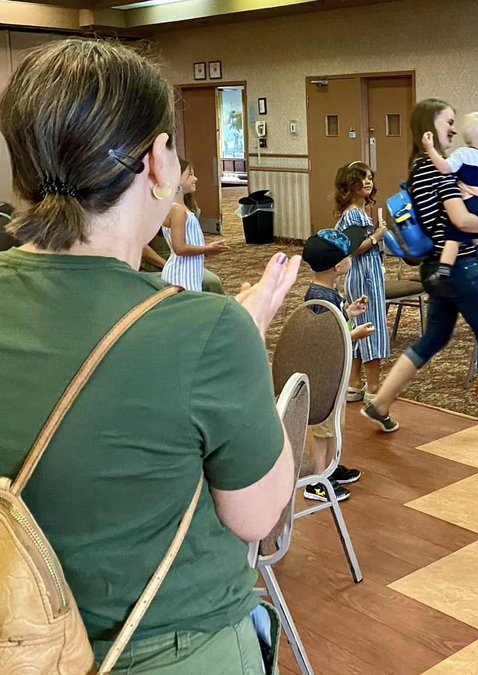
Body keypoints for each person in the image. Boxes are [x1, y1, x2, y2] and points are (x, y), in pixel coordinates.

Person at [0, 37, 301, 672]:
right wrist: (241, 338)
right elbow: (258, 515)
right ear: (160, 161)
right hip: (166, 648)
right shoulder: (211, 331)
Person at [361, 98, 478, 442]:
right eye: (448, 122)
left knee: (435, 336)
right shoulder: (439, 169)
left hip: (437, 267)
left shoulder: (419, 167)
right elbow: (461, 220)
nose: (454, 129)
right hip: (462, 266)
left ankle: (380, 403)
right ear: (429, 128)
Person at [300, 226, 375, 503]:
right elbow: (323, 336)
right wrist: (354, 333)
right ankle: (317, 479)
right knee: (323, 427)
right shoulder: (321, 297)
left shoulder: (327, 292)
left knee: (334, 425)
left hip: (335, 370)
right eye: (348, 254)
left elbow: (332, 322)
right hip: (324, 373)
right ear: (338, 265)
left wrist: (347, 311)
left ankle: (329, 468)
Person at [422, 111, 478, 286]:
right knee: (475, 227)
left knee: (453, 236)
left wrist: (430, 149)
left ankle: (444, 268)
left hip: (468, 202)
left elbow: (445, 168)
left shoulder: (462, 154)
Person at [334, 161, 390, 404]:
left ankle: (355, 384)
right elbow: (354, 248)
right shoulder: (354, 215)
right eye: (362, 178)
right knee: (371, 328)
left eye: (370, 177)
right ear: (350, 185)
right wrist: (377, 237)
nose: (368, 182)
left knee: (359, 327)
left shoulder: (356, 212)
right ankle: (374, 387)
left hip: (364, 274)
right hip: (365, 275)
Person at [160, 159, 230, 291]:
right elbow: (179, 249)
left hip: (188, 275)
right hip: (181, 277)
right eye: (190, 175)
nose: (195, 178)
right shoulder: (178, 210)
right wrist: (207, 249)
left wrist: (207, 250)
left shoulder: (180, 208)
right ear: (176, 179)